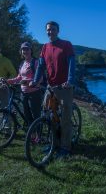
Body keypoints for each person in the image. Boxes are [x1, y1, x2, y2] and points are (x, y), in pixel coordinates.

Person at [30, 21, 76, 158]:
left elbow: (71, 63)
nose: (51, 31)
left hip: (64, 86)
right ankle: (53, 144)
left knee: (65, 118)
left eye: (53, 29)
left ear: (58, 31)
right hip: (51, 86)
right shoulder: (45, 47)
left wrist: (70, 80)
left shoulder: (66, 45)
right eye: (48, 29)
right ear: (46, 31)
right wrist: (35, 80)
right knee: (49, 115)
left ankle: (65, 147)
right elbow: (40, 67)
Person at [3, 42, 43, 126]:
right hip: (24, 93)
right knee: (26, 114)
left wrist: (31, 82)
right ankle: (31, 133)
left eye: (27, 49)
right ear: (21, 51)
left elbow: (40, 78)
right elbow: (19, 78)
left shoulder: (35, 62)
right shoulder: (22, 63)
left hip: (34, 92)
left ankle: (38, 135)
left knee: (36, 115)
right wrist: (7, 80)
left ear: (30, 50)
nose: (25, 51)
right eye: (23, 49)